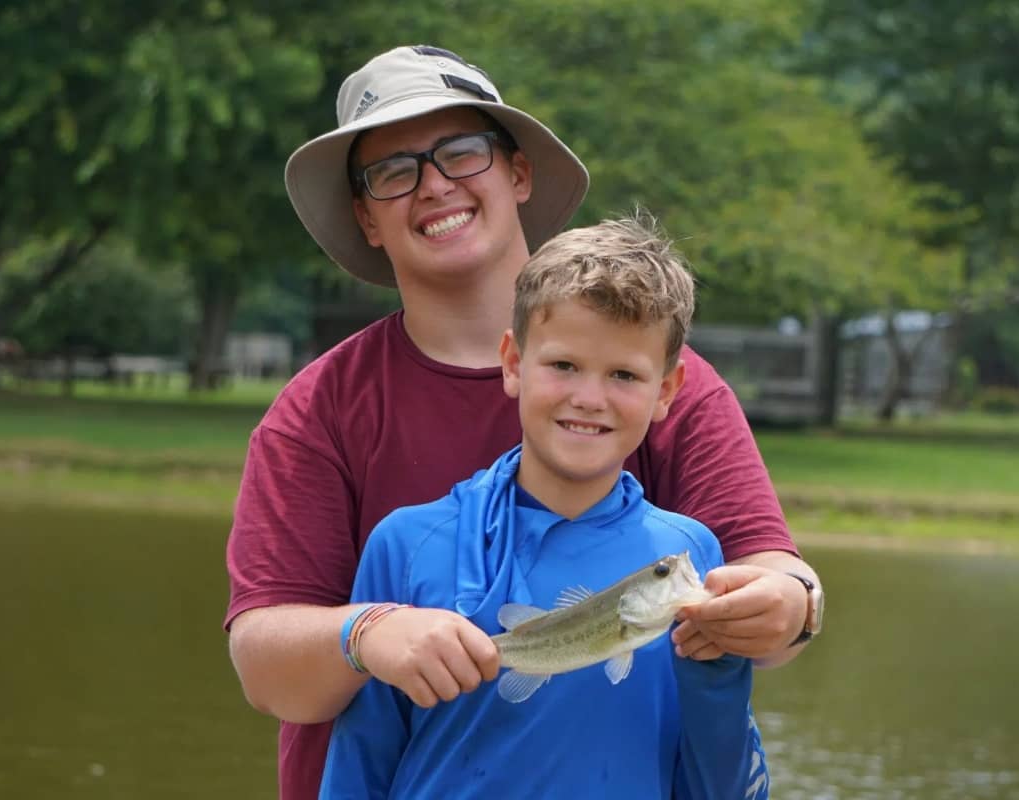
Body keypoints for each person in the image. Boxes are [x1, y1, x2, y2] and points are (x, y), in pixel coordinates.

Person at [225, 44, 822, 799]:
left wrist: (794, 605)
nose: (434, 185)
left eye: (461, 152)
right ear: (366, 217)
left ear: (518, 172)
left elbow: (767, 573)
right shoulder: (317, 412)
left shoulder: (668, 385)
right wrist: (365, 634)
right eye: (393, 171)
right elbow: (267, 669)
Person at [319, 216, 770, 799]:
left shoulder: (693, 554)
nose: (589, 398)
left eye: (625, 375)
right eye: (563, 365)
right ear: (512, 363)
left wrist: (722, 667)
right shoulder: (405, 544)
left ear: (666, 391)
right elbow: (361, 763)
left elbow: (718, 779)